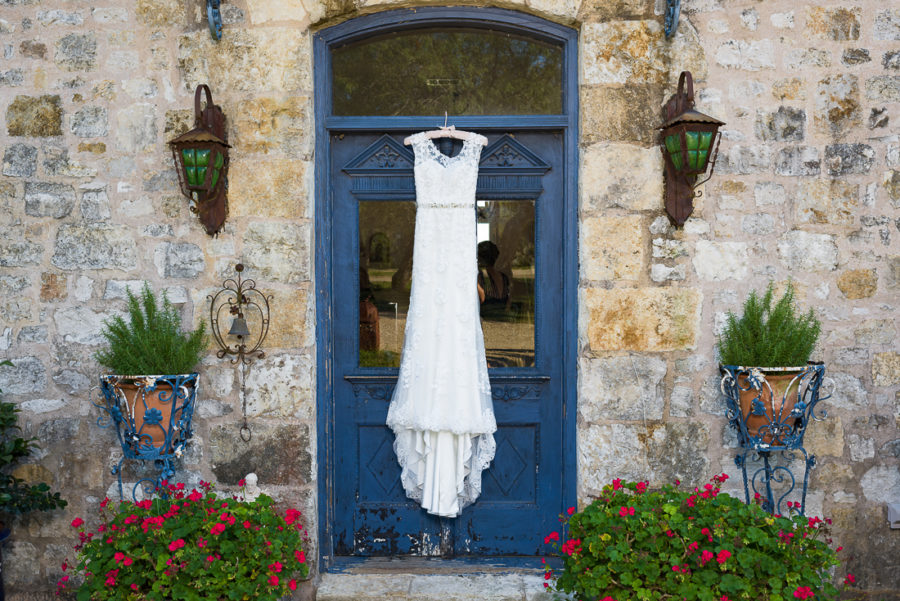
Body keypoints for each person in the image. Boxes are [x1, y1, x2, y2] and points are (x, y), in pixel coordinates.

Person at [476, 240, 511, 313]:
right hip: (504, 320)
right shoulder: (504, 277)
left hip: (488, 321)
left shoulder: (480, 277)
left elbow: (482, 299)